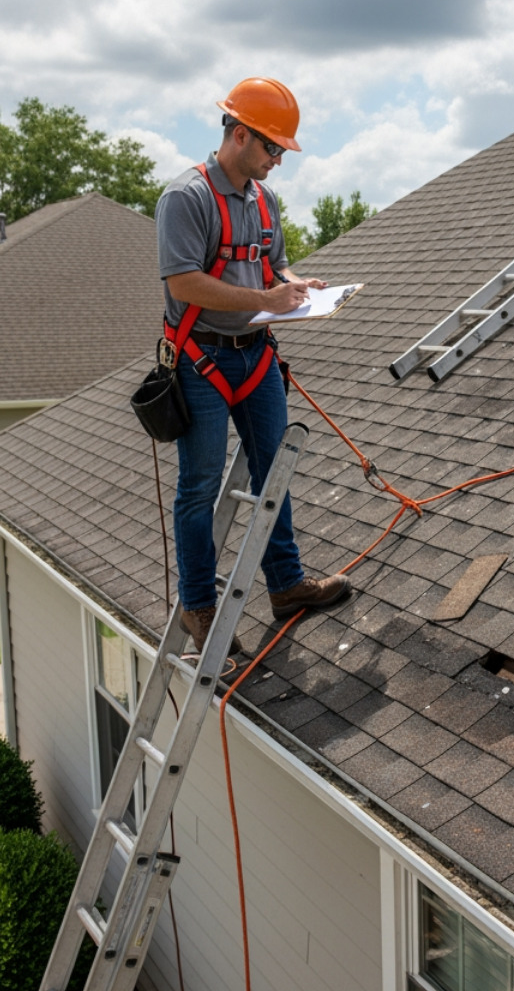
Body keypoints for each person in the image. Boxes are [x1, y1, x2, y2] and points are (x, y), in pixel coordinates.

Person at [157, 77, 350, 652]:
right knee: (199, 487)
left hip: (255, 357)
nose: (277, 162)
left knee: (275, 469)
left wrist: (298, 286)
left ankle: (286, 585)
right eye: (272, 149)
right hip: (202, 362)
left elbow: (275, 264)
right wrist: (266, 299)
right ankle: (199, 606)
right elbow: (185, 282)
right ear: (239, 134)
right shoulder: (186, 198)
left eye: (281, 153)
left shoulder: (263, 201)